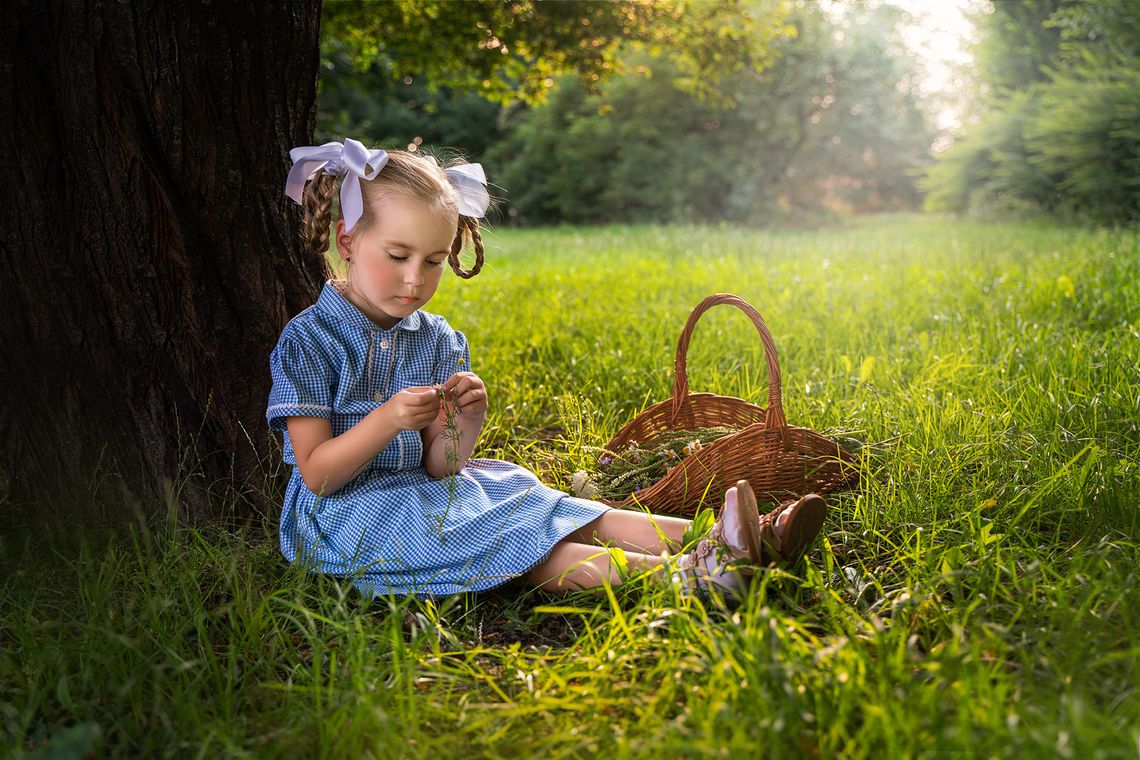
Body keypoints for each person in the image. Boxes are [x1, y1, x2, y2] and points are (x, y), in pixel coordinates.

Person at [268, 138, 828, 600]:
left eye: (434, 261)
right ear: (347, 240)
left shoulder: (437, 340)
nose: (416, 279)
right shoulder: (311, 342)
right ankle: (692, 577)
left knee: (548, 505)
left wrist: (466, 421)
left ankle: (739, 539)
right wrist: (388, 420)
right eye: (398, 257)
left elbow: (443, 466)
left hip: (426, 492)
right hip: (349, 518)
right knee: (520, 547)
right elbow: (316, 475)